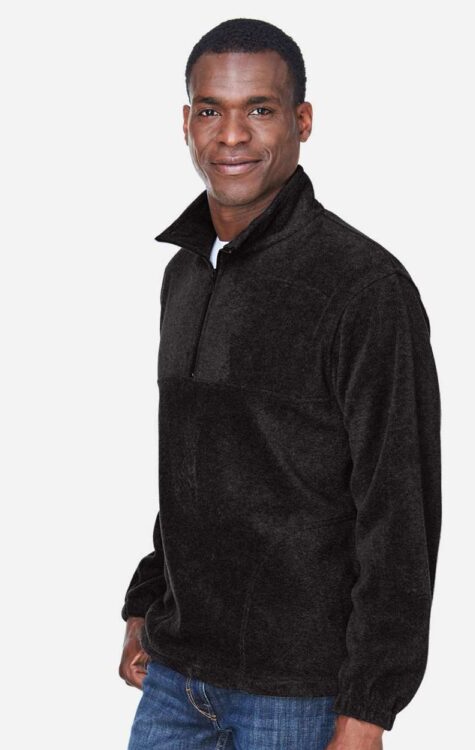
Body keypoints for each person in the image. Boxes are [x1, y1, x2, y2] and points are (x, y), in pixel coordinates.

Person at [118, 17, 441, 750]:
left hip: (298, 694)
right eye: (211, 110)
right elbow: (197, 470)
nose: (232, 135)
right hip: (174, 677)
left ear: (302, 121)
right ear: (186, 123)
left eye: (259, 109)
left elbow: (400, 511)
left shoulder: (363, 287)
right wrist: (147, 601)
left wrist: (368, 707)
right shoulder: (185, 274)